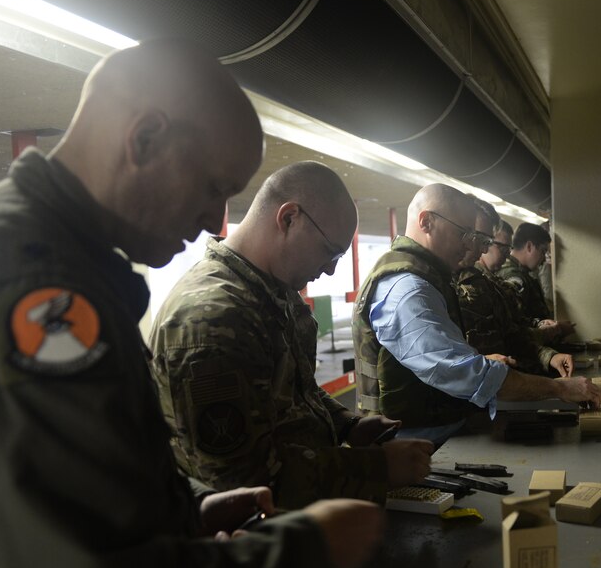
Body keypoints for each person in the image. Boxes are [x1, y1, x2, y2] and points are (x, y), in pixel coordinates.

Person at [0, 40, 383, 568]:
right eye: (211, 188)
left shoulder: (48, 262)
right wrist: (309, 551)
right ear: (146, 136)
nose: (214, 221)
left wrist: (177, 516)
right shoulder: (33, 295)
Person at [149, 161, 433, 509]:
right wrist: (379, 467)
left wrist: (345, 424)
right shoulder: (215, 319)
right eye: (331, 251)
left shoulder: (275, 292)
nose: (330, 269)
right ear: (288, 218)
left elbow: (294, 390)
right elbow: (239, 479)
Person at [352, 183, 601, 444]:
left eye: (475, 236)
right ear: (426, 222)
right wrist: (558, 388)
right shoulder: (408, 290)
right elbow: (462, 371)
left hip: (438, 432)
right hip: (413, 442)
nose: (472, 246)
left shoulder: (432, 279)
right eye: (464, 234)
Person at [455, 201, 572, 377]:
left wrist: (547, 355)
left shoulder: (483, 281)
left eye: (485, 241)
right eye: (478, 238)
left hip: (500, 378)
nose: (483, 248)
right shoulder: (434, 283)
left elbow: (511, 331)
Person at [499, 222, 575, 339]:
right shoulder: (514, 277)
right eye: (543, 251)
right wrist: (557, 329)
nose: (544, 258)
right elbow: (518, 326)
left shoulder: (523, 274)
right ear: (529, 246)